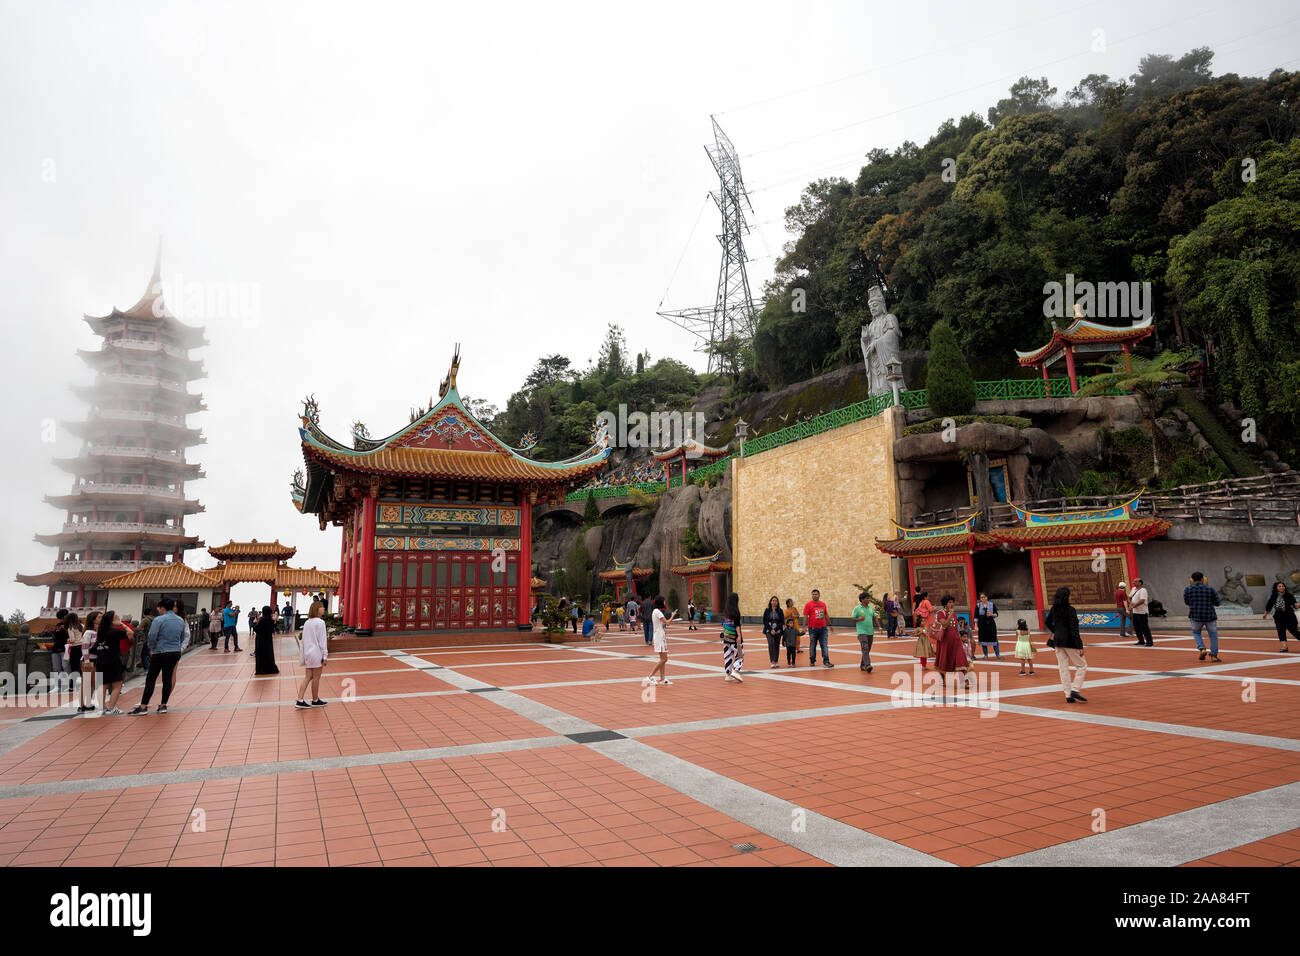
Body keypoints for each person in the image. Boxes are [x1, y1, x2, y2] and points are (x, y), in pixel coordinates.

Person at [128, 597, 187, 715]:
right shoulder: (180, 620)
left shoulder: (159, 620)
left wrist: (151, 648)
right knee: (167, 678)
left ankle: (143, 706)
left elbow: (152, 636)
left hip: (160, 651)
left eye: (159, 608)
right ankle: (163, 705)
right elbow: (182, 636)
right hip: (174, 651)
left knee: (151, 678)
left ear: (162, 608)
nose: (158, 610)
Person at [1045, 586, 1087, 703]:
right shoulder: (1070, 610)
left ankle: (1068, 695)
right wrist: (1080, 646)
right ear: (1067, 596)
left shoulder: (1054, 609)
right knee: (1082, 665)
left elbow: (1047, 622)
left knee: (1063, 668)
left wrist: (1055, 631)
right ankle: (1075, 689)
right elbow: (1074, 629)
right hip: (1070, 642)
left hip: (1058, 641)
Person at [92, 610, 127, 714]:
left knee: (102, 685)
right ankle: (111, 708)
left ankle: (101, 708)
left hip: (101, 661)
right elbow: (130, 633)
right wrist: (121, 624)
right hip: (113, 660)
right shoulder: (114, 631)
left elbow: (93, 648)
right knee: (117, 684)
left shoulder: (100, 631)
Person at [932, 596, 970, 690]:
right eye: (949, 602)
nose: (952, 604)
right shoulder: (941, 613)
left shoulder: (954, 613)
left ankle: (964, 681)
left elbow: (955, 627)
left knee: (960, 659)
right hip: (945, 640)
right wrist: (949, 615)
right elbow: (944, 624)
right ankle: (942, 679)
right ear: (945, 603)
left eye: (952, 602)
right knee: (943, 658)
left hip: (956, 640)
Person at [1183, 571, 1222, 663]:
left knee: (1196, 633)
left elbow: (1187, 602)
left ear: (1192, 579)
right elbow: (1218, 603)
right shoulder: (1210, 589)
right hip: (1209, 615)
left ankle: (1202, 648)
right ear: (1202, 579)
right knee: (1213, 635)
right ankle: (1214, 656)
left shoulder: (1188, 589)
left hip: (1195, 615)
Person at [296, 602, 329, 708]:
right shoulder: (320, 622)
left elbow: (304, 639)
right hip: (317, 653)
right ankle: (315, 700)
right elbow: (322, 641)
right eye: (321, 607)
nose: (323, 609)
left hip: (308, 653)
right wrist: (325, 655)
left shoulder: (307, 622)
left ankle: (300, 699)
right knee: (316, 677)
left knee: (308, 676)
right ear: (317, 609)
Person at [644, 595, 677, 686]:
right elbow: (668, 623)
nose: (665, 603)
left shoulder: (656, 611)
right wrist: (673, 615)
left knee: (663, 659)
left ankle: (662, 678)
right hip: (659, 636)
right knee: (664, 659)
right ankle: (650, 676)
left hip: (660, 635)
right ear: (661, 602)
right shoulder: (657, 611)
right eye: (664, 601)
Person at [1264, 581, 1300, 651]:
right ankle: (1284, 646)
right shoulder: (1274, 596)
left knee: (1294, 632)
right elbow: (1269, 605)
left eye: (1282, 586)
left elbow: (1294, 604)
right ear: (1276, 588)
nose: (1281, 587)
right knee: (1280, 631)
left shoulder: (1289, 595)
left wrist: (1297, 605)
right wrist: (1265, 614)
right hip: (1278, 616)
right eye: (1279, 586)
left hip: (1289, 616)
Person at [803, 588, 832, 668]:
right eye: (813, 594)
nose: (814, 595)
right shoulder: (808, 604)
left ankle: (826, 661)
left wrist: (830, 625)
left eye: (816, 594)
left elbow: (826, 614)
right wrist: (804, 627)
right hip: (812, 628)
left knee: (824, 645)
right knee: (813, 645)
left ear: (819, 595)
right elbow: (805, 616)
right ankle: (812, 660)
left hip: (823, 628)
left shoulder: (823, 604)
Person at [77, 610, 99, 713]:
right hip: (89, 660)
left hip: (96, 659)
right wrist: (86, 661)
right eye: (99, 617)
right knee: (85, 683)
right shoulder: (88, 632)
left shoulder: (97, 632)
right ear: (93, 620)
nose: (101, 619)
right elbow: (84, 647)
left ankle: (88, 703)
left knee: (93, 682)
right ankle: (81, 705)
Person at [852, 592, 877, 673]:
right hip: (861, 631)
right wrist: (859, 619)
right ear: (862, 600)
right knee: (865, 648)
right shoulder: (857, 608)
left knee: (867, 649)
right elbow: (852, 618)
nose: (868, 599)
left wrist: (880, 626)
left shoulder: (871, 608)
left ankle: (862, 665)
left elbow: (874, 617)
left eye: (869, 598)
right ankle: (868, 665)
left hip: (870, 631)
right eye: (867, 598)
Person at [721, 592, 744, 682]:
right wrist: (739, 636)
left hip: (726, 638)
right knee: (740, 654)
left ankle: (728, 674)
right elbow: (737, 625)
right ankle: (735, 670)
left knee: (728, 656)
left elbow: (723, 624)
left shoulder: (725, 612)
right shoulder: (736, 611)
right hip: (735, 638)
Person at [253, 606, 280, 675]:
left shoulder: (262, 619)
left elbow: (256, 628)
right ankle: (270, 668)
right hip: (268, 639)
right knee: (268, 653)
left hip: (261, 639)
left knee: (261, 654)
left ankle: (261, 669)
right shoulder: (271, 620)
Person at [912, 591, 934, 670]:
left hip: (923, 638)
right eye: (928, 596)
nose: (928, 597)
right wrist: (934, 608)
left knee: (923, 652)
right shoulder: (926, 602)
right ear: (925, 597)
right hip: (928, 622)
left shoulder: (921, 603)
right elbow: (931, 610)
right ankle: (923, 664)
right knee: (924, 651)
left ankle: (923, 664)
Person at [49, 611, 70, 694]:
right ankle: (57, 686)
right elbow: (54, 637)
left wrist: (64, 630)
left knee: (66, 667)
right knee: (56, 669)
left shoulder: (70, 625)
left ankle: (70, 685)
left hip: (65, 649)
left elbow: (69, 637)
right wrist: (57, 631)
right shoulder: (58, 625)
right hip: (56, 649)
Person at [1129, 578, 1154, 647]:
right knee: (1136, 627)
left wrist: (1134, 606)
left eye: (1135, 581)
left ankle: (1149, 642)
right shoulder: (1133, 589)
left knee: (1144, 627)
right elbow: (1130, 597)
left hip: (1142, 612)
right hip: (1135, 612)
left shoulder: (1143, 590)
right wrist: (1131, 604)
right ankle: (1141, 640)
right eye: (1133, 581)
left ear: (1140, 583)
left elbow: (1142, 600)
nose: (1133, 582)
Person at [762, 596, 785, 668]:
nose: (774, 602)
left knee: (776, 645)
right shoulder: (767, 610)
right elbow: (764, 621)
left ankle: (776, 660)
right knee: (771, 644)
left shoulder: (780, 610)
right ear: (770, 602)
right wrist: (771, 629)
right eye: (773, 600)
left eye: (776, 601)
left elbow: (782, 621)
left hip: (777, 630)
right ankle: (772, 661)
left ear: (778, 602)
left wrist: (775, 630)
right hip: (769, 630)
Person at [974, 593, 1000, 658]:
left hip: (991, 624)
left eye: (984, 597)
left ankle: (997, 654)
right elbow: (976, 616)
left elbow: (996, 614)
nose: (983, 598)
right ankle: (985, 655)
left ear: (987, 597)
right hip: (982, 625)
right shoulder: (978, 605)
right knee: (983, 640)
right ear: (980, 599)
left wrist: (991, 614)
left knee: (994, 639)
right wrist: (976, 625)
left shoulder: (991, 604)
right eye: (982, 597)